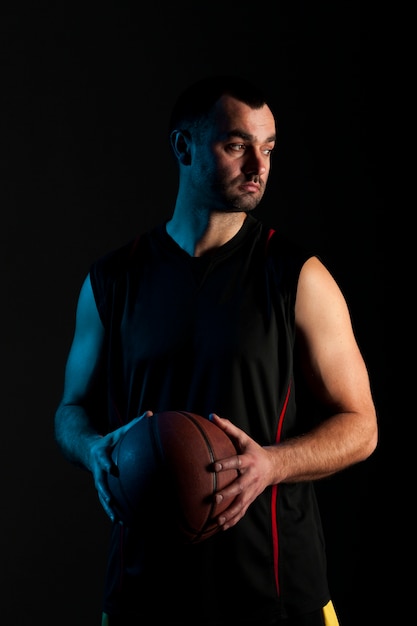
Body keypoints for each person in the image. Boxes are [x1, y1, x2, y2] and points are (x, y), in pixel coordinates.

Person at [54, 74, 378, 626]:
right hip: (144, 591)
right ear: (183, 148)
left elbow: (361, 426)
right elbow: (70, 411)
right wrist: (94, 451)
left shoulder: (297, 277)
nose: (259, 166)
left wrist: (271, 464)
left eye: (268, 148)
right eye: (236, 146)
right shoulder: (113, 280)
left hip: (275, 591)